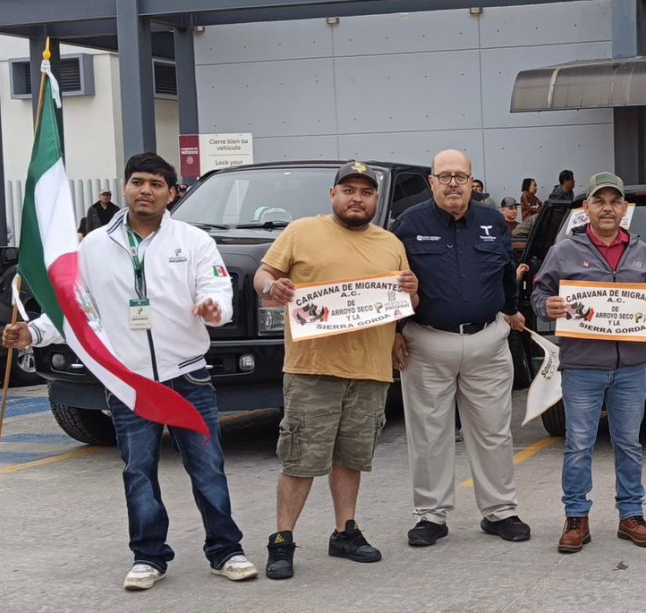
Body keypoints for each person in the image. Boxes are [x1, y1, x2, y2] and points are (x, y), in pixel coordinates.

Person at [3, 152, 257, 590]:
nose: (147, 190)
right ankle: (149, 557)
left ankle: (226, 550)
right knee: (138, 470)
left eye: (157, 185)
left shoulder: (194, 241)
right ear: (124, 188)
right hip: (128, 381)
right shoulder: (94, 245)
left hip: (188, 376)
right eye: (138, 182)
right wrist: (33, 334)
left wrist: (215, 309)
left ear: (172, 193)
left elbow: (216, 288)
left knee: (207, 467)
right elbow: (75, 311)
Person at [255, 161, 418, 579]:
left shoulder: (390, 243)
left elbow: (403, 303)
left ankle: (345, 531)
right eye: (349, 190)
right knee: (301, 459)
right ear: (333, 195)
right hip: (313, 369)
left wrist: (407, 307)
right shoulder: (301, 232)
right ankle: (282, 540)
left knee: (352, 458)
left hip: (370, 370)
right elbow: (265, 274)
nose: (356, 198)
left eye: (365, 192)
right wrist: (271, 287)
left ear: (376, 200)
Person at [530, 172, 646, 553]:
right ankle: (576, 518)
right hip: (582, 365)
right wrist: (546, 306)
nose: (607, 208)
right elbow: (539, 292)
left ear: (625, 209)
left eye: (615, 201)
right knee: (579, 444)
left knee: (629, 443)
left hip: (630, 365)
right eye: (599, 201)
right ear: (586, 209)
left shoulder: (643, 252)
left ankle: (631, 516)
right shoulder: (564, 251)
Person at [391, 149, 531, 548]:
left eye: (461, 176)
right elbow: (393, 285)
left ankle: (500, 511)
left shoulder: (491, 222)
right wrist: (394, 332)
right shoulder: (408, 224)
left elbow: (506, 272)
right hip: (427, 343)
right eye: (445, 176)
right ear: (431, 181)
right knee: (429, 435)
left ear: (473, 182)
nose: (453, 183)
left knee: (493, 431)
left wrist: (512, 310)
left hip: (487, 340)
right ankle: (430, 516)